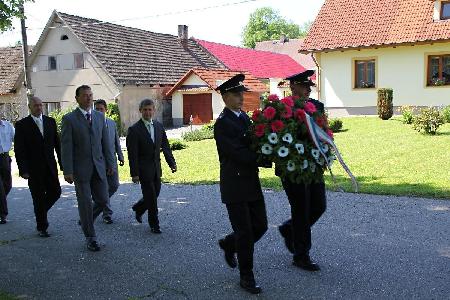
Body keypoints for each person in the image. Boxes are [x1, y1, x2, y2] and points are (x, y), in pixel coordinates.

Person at [214, 74, 268, 294]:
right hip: (234, 184)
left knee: (261, 226)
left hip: (250, 182)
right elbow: (236, 152)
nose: (240, 97)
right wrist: (262, 158)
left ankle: (229, 243)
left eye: (241, 93)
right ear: (225, 96)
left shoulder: (244, 118)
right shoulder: (222, 124)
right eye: (236, 94)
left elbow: (254, 141)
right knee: (245, 232)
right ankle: (247, 276)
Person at [277, 70, 327, 271]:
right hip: (292, 168)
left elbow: (323, 132)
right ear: (293, 87)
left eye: (309, 86)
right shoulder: (281, 108)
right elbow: (278, 138)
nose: (308, 89)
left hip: (313, 166)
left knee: (318, 206)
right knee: (301, 209)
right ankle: (301, 255)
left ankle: (289, 229)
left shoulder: (317, 106)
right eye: (304, 86)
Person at [61, 85, 114, 252]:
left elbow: (106, 143)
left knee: (103, 199)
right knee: (84, 203)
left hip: (99, 167)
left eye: (90, 95)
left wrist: (110, 163)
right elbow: (66, 146)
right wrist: (67, 170)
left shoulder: (99, 117)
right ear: (77, 98)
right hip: (80, 170)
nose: (89, 98)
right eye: (85, 96)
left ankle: (85, 221)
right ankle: (91, 237)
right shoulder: (69, 119)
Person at [126, 99, 176, 234]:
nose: (148, 112)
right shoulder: (134, 130)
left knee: (156, 193)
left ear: (154, 110)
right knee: (152, 197)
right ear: (140, 111)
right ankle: (154, 224)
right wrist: (134, 173)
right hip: (143, 169)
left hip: (156, 167)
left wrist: (171, 162)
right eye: (145, 110)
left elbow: (165, 146)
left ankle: (139, 208)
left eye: (150, 109)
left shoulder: (159, 127)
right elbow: (132, 154)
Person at [14, 96, 62, 237]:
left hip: (50, 167)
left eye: (41, 105)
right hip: (33, 169)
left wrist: (63, 165)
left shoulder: (50, 122)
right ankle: (42, 227)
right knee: (38, 197)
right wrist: (23, 170)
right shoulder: (22, 125)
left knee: (56, 192)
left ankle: (40, 212)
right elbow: (19, 149)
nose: (39, 108)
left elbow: (57, 146)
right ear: (30, 107)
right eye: (36, 105)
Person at [93, 99, 124, 224]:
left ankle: (95, 206)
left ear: (106, 110)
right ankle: (107, 214)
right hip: (99, 162)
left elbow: (116, 141)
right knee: (103, 188)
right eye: (97, 109)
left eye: (101, 109)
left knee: (114, 186)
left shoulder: (111, 123)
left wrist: (120, 155)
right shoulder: (92, 125)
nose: (99, 111)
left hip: (112, 160)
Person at [0, 117, 14, 224]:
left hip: (5, 157)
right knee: (0, 189)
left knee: (8, 185)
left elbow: (17, 138)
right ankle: (3, 215)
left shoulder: (7, 126)